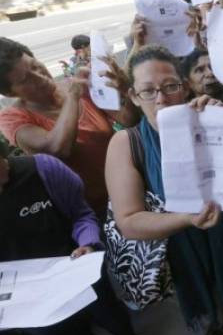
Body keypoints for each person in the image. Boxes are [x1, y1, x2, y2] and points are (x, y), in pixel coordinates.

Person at [105, 45, 223, 335]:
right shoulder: (127, 143)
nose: (161, 98)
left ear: (183, 86)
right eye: (148, 90)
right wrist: (185, 218)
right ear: (133, 95)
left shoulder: (210, 119)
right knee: (191, 291)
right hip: (176, 242)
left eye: (170, 86)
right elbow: (128, 221)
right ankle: (203, 334)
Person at [0, 140, 163, 335]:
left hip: (78, 269)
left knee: (111, 315)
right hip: (31, 300)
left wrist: (87, 242)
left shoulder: (43, 169)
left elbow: (81, 213)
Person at [0, 37, 138, 217]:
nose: (40, 77)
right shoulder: (13, 117)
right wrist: (73, 97)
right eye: (26, 80)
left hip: (131, 189)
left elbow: (129, 120)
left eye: (35, 66)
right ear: (10, 92)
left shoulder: (77, 86)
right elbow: (58, 148)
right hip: (91, 213)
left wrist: (124, 88)